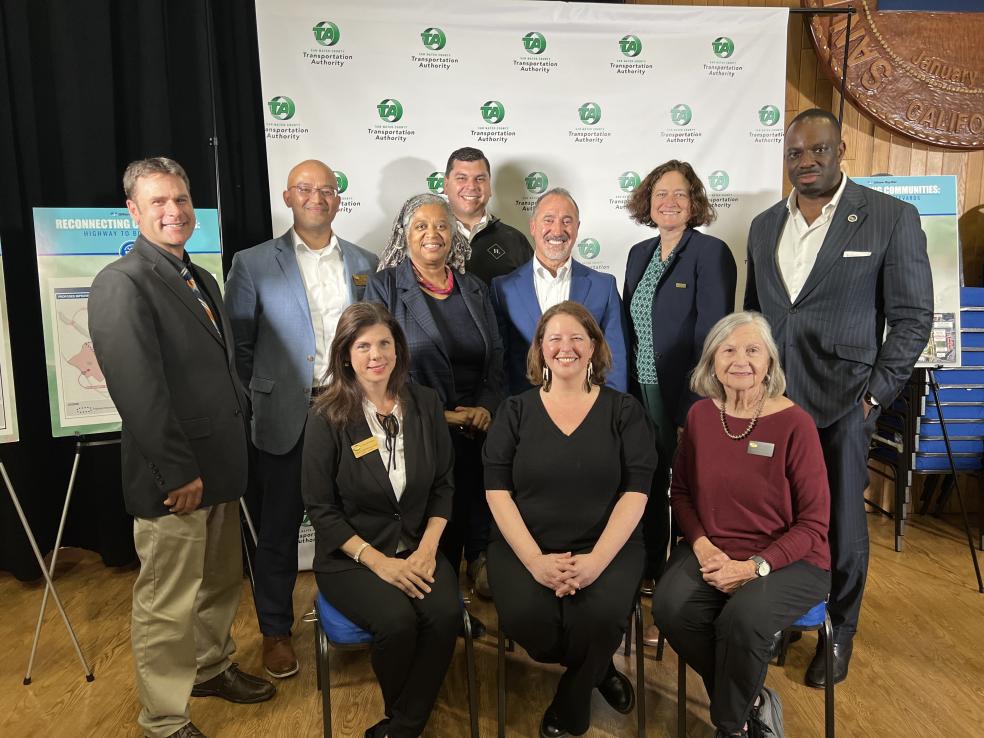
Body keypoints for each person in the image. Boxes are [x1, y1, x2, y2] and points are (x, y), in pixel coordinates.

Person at [744, 108, 933, 687]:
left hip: (846, 404)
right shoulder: (763, 225)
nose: (806, 163)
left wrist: (873, 399)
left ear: (841, 149)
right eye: (795, 154)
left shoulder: (890, 218)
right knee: (775, 519)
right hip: (773, 404)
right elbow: (756, 316)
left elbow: (912, 319)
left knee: (844, 526)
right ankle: (780, 619)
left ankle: (839, 631)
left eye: (818, 151)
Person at [89, 157, 274, 738]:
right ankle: (164, 718)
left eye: (181, 199)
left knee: (218, 585)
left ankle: (211, 667)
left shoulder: (200, 277)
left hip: (219, 468)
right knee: (167, 603)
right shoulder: (122, 283)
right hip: (176, 479)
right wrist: (176, 471)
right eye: (159, 202)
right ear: (134, 211)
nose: (174, 211)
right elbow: (138, 392)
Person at [224, 159, 377, 678]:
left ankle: (362, 615)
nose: (317, 197)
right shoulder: (253, 263)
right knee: (280, 527)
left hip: (351, 412)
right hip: (286, 414)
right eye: (305, 189)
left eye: (327, 189)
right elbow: (238, 349)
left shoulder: (364, 261)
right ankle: (274, 631)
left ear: (339, 199)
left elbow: (377, 338)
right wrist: (264, 398)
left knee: (359, 516)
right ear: (287, 198)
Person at [652, 311, 831, 738]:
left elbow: (814, 523)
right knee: (669, 607)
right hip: (713, 549)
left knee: (742, 620)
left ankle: (731, 726)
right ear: (712, 359)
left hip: (792, 559)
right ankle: (752, 699)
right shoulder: (698, 416)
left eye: (753, 350)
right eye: (728, 349)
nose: (740, 360)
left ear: (770, 361)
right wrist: (701, 546)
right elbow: (682, 494)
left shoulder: (795, 424)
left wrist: (754, 568)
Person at [484, 301, 658, 738]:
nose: (566, 347)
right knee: (533, 624)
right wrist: (535, 561)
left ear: (595, 347)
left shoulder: (625, 412)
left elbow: (636, 494)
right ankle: (599, 670)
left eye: (577, 337)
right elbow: (497, 492)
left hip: (609, 546)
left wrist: (596, 561)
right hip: (525, 545)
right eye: (554, 338)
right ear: (540, 349)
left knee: (596, 620)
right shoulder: (514, 411)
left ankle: (571, 708)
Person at [301, 302, 460, 738]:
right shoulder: (326, 415)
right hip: (351, 556)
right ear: (346, 354)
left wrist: (427, 549)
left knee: (445, 614)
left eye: (384, 343)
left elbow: (444, 487)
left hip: (416, 545)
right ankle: (409, 716)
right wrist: (379, 562)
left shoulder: (426, 404)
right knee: (397, 622)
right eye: (364, 345)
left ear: (398, 348)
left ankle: (404, 726)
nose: (376, 355)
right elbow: (320, 508)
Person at [365, 193, 503, 617]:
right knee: (431, 540)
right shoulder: (384, 286)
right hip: (417, 427)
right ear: (405, 235)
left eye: (441, 225)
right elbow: (378, 363)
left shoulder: (474, 287)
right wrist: (438, 414)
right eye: (421, 226)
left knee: (474, 513)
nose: (432, 234)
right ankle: (440, 602)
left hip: (476, 429)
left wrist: (483, 406)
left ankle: (474, 569)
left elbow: (495, 357)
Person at [623, 160, 737, 641]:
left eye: (680, 194)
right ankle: (648, 574)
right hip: (640, 390)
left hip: (685, 397)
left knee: (683, 492)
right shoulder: (638, 253)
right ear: (647, 201)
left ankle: (679, 590)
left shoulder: (710, 253)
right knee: (645, 481)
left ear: (695, 203)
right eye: (660, 193)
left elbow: (713, 340)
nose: (668, 202)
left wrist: (693, 410)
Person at [491, 187, 628, 395]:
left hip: (588, 411)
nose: (557, 230)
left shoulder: (604, 286)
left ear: (577, 227)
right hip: (525, 412)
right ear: (533, 226)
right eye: (548, 220)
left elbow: (614, 361)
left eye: (567, 221)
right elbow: (500, 363)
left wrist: (612, 413)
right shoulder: (503, 288)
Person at [443, 146, 533, 284]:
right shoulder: (425, 237)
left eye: (479, 179)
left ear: (489, 187)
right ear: (446, 185)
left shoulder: (515, 241)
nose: (471, 186)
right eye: (461, 178)